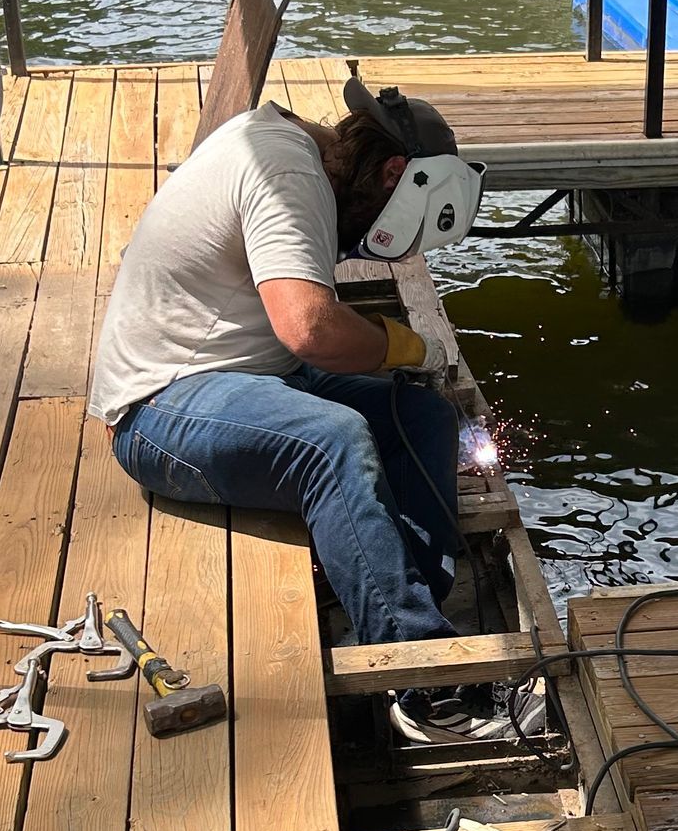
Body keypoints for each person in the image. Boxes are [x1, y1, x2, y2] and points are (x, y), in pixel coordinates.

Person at [89, 70, 482, 666]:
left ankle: (410, 594)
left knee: (422, 418)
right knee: (333, 441)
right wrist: (407, 347)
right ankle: (418, 665)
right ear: (394, 174)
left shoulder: (293, 149)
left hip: (251, 376)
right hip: (159, 411)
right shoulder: (287, 173)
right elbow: (311, 330)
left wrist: (401, 364)